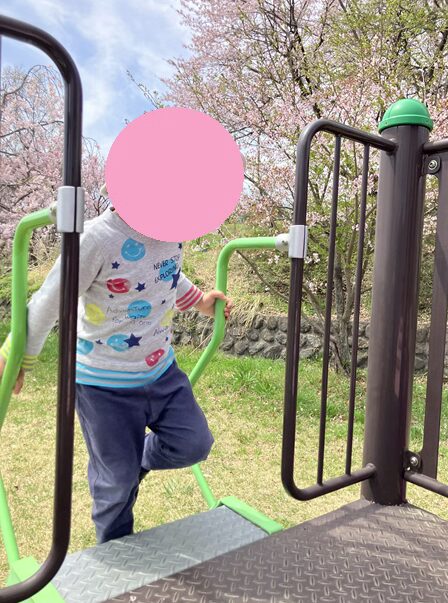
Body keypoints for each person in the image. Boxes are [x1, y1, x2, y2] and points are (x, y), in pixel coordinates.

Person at [0, 194, 232, 543]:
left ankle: (137, 459)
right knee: (116, 482)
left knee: (193, 443)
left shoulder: (170, 230)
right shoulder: (96, 239)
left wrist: (200, 301)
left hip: (161, 372)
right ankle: (113, 548)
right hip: (103, 385)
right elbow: (50, 300)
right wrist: (16, 354)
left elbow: (167, 273)